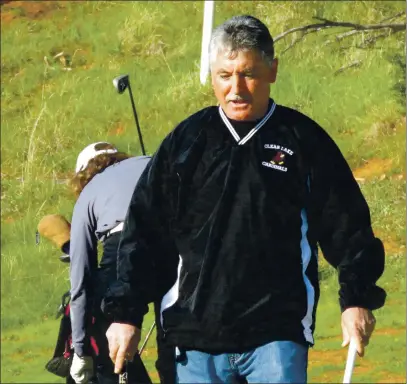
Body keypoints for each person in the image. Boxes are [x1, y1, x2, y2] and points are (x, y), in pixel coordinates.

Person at [103, 15, 386, 384]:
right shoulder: (185, 143)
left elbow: (348, 227)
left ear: (272, 70)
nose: (236, 88)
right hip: (193, 335)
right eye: (224, 75)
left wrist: (356, 298)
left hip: (275, 335)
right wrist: (125, 313)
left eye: (248, 73)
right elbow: (144, 233)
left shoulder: (303, 140)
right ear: (212, 75)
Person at [67, 142, 154, 384]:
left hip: (122, 245)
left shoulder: (88, 193)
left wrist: (82, 350)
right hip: (173, 241)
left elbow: (80, 280)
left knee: (104, 321)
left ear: (83, 174)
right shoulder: (150, 161)